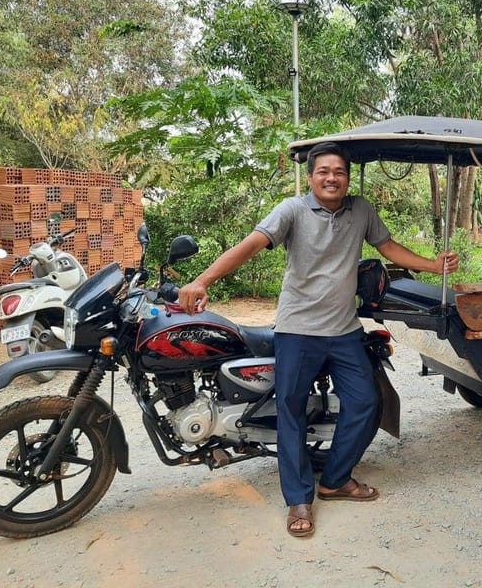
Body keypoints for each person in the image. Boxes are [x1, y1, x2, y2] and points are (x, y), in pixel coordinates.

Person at [177, 141, 458, 538]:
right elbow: (250, 246)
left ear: (346, 178)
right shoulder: (291, 210)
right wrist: (203, 279)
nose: (332, 178)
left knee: (366, 402)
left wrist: (433, 264)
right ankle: (298, 499)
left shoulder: (360, 210)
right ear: (310, 178)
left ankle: (335, 479)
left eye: (338, 172)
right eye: (323, 171)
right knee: (290, 412)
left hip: (344, 331)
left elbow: (389, 247)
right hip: (297, 331)